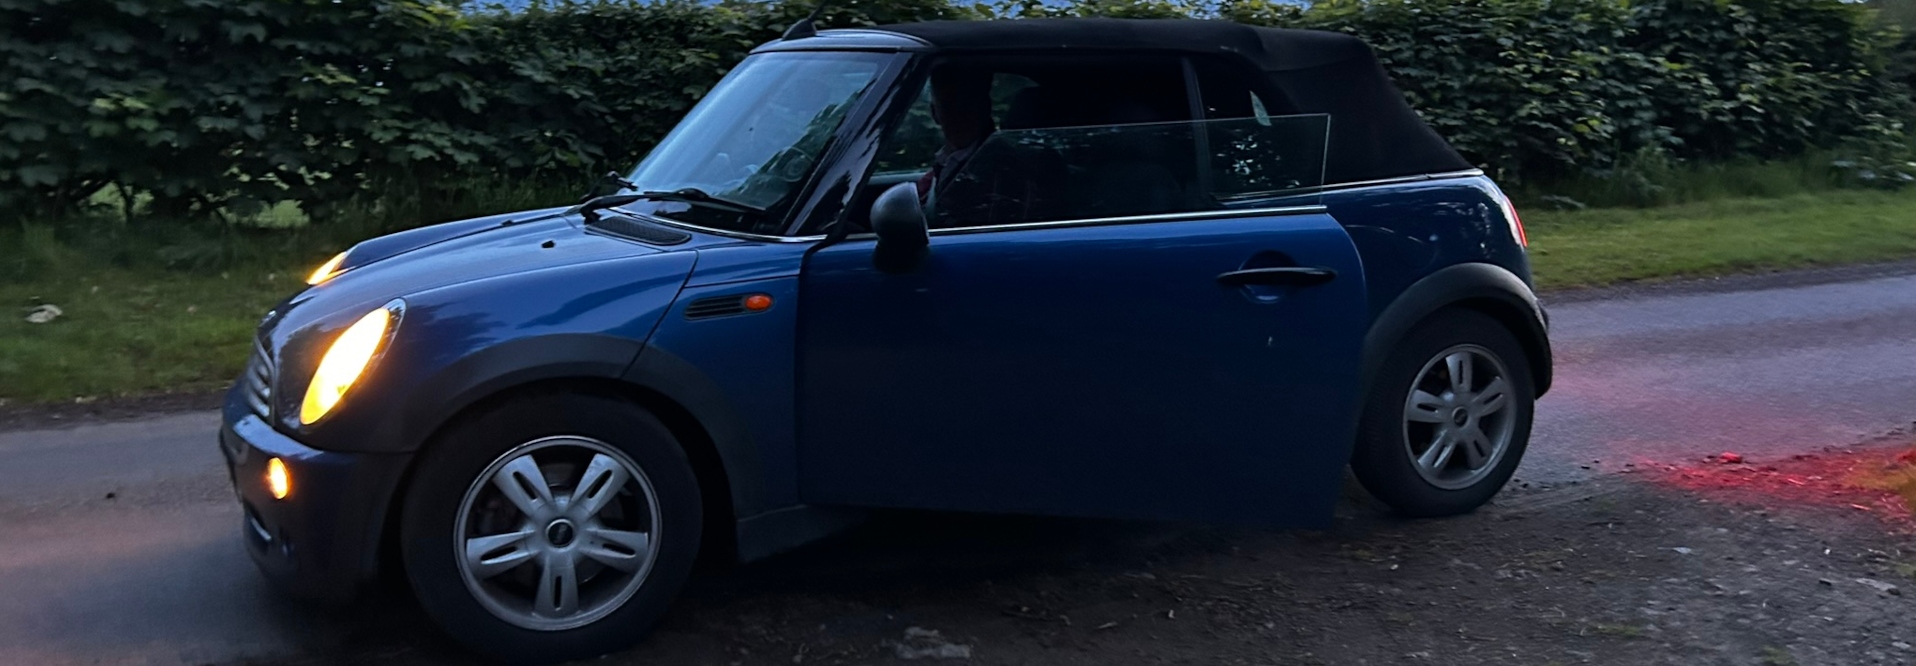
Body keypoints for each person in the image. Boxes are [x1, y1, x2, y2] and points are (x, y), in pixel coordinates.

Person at [914, 65, 996, 206]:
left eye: (968, 103)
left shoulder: (996, 167)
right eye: (948, 105)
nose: (959, 114)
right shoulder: (941, 167)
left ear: (985, 106)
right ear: (934, 113)